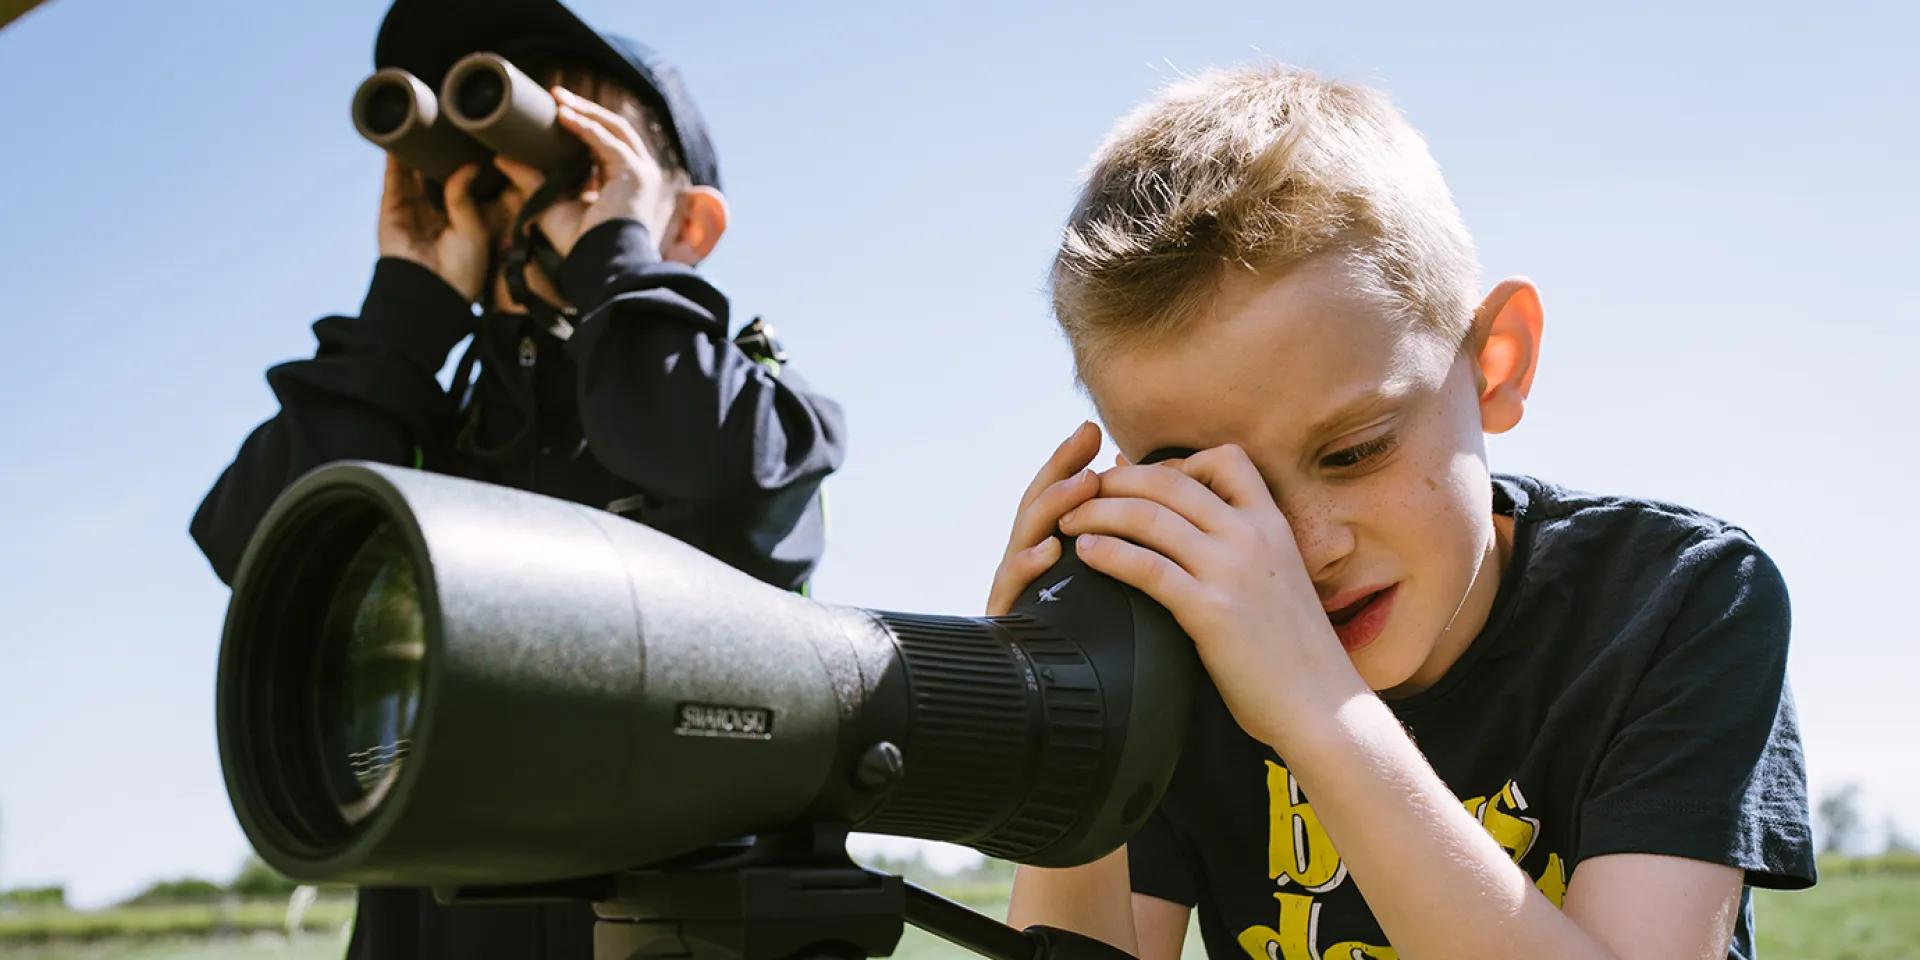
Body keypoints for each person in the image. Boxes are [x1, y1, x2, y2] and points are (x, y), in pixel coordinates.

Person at [988, 65, 1813, 960]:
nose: (1300, 551)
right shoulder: (1179, 641)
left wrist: (1315, 706)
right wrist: (1072, 725)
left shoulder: (1676, 600)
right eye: (1217, 493)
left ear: (1496, 361)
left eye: (1353, 451)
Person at [189, 0, 847, 956]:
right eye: (482, 167)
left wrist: (615, 263)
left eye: (578, 164)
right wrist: (405, 311)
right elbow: (261, 558)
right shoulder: (414, 425)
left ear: (692, 224)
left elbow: (720, 477)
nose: (521, 197)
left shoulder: (743, 413)